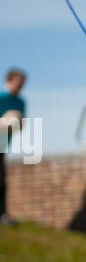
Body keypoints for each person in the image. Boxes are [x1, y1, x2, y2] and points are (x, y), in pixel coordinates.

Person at [0, 67, 27, 227]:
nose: (20, 87)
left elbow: (22, 124)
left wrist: (16, 123)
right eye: (18, 83)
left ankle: (2, 214)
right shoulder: (1, 97)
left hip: (3, 145)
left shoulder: (20, 102)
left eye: (22, 84)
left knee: (2, 180)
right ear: (9, 81)